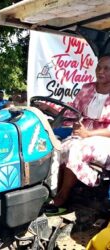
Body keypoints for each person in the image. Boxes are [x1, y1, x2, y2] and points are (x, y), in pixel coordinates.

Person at [51, 54, 110, 207]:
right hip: (81, 135)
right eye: (99, 67)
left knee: (74, 149)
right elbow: (72, 113)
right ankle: (50, 191)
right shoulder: (87, 88)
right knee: (54, 147)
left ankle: (63, 196)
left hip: (104, 139)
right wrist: (51, 109)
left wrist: (89, 134)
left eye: (106, 69)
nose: (100, 71)